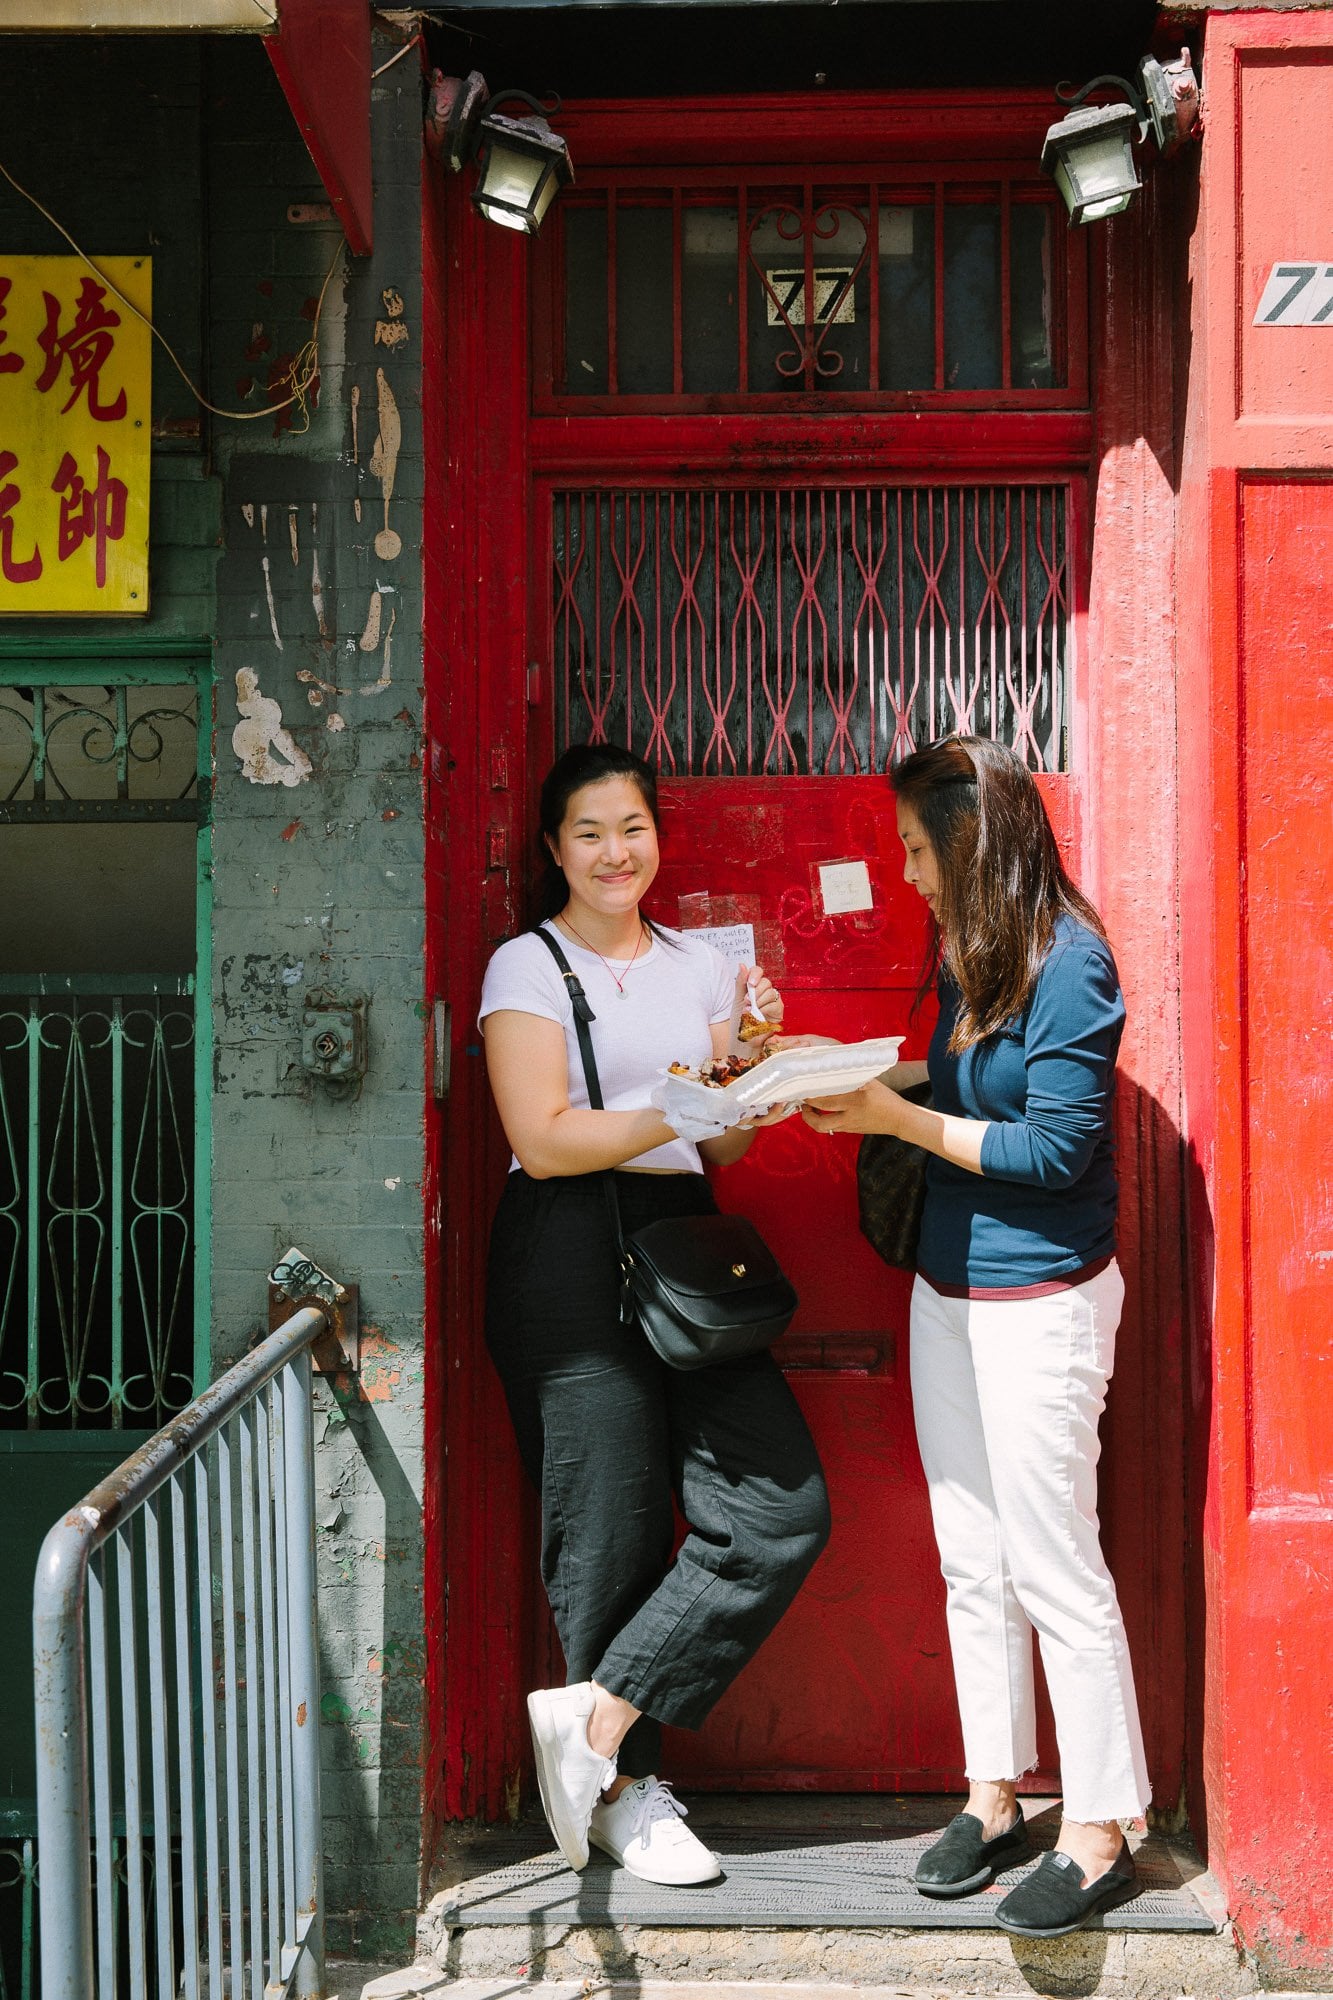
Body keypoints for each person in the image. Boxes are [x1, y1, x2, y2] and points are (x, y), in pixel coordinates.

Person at [801, 735, 1149, 1939]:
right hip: (945, 1290)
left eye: (911, 847)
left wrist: (897, 1116)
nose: (901, 871)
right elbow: (956, 1088)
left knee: (1054, 1560)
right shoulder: (971, 951)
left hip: (1039, 1300)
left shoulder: (1073, 967)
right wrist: (842, 1074)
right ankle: (993, 1791)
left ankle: (1102, 1823)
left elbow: (1054, 1152)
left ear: (966, 844)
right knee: (970, 1555)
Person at [479, 741, 830, 1889]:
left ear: (656, 838)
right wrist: (670, 1104)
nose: (613, 852)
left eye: (631, 827)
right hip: (566, 1249)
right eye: (587, 832)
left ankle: (591, 1723)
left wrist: (750, 1075)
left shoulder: (698, 964)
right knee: (610, 1526)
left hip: (684, 1240)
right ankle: (629, 1794)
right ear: (552, 849)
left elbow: (715, 1141)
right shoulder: (524, 966)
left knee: (779, 1506)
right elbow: (539, 1135)